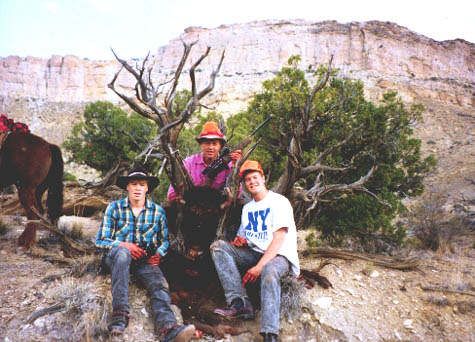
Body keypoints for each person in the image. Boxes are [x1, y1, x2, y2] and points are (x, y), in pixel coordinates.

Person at [95, 165, 196, 342]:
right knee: (122, 254)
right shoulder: (114, 208)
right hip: (116, 257)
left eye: (142, 184)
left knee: (158, 284)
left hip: (143, 260)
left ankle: (168, 329)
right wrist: (124, 245)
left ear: (147, 188)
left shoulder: (157, 211)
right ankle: (120, 316)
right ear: (127, 187)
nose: (137, 188)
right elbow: (101, 240)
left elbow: (164, 240)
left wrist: (159, 253)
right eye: (133, 184)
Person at [210, 160, 300, 342]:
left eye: (255, 177)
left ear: (263, 178)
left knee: (269, 271)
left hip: (279, 256)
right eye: (248, 180)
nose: (252, 182)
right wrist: (241, 241)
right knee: (218, 247)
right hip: (254, 253)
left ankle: (269, 333)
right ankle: (240, 303)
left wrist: (259, 266)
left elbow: (279, 239)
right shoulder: (248, 208)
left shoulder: (279, 202)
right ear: (244, 185)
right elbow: (246, 238)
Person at [167, 121, 241, 200]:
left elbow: (237, 194)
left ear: (220, 146)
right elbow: (172, 194)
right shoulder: (189, 163)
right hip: (191, 206)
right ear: (201, 145)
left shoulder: (227, 166)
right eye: (207, 143)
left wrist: (236, 166)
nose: (211, 147)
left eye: (215, 144)